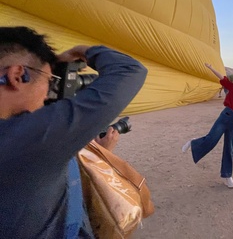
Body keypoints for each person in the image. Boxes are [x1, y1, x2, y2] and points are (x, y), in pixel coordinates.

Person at [0, 26, 147, 238]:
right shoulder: (27, 136)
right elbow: (129, 70)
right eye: (49, 81)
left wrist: (100, 153)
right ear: (17, 75)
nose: (48, 94)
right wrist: (82, 51)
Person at [182, 64, 233, 188]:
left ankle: (227, 175)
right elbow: (222, 77)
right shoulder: (232, 87)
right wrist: (211, 68)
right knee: (212, 140)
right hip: (226, 117)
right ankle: (194, 143)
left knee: (230, 148)